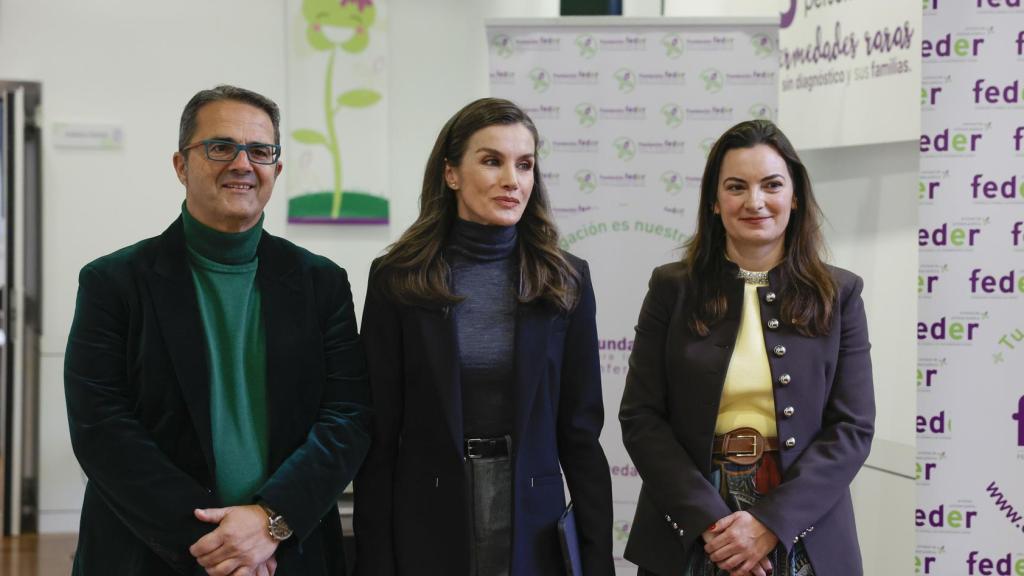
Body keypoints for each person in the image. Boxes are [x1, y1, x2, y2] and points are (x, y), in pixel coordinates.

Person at [64, 85, 372, 576]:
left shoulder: (322, 283)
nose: (242, 163)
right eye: (221, 146)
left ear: (277, 168)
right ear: (181, 165)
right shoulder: (112, 282)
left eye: (260, 150)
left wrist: (271, 521)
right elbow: (101, 428)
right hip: (151, 554)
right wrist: (223, 546)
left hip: (287, 553)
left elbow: (347, 418)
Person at [353, 97, 613, 576]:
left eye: (525, 164)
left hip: (533, 520)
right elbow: (380, 437)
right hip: (429, 519)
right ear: (451, 173)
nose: (512, 180)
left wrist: (597, 563)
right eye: (492, 161)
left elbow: (580, 436)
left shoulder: (566, 281)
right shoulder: (398, 279)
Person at [619, 119, 874, 576]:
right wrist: (711, 521)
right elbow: (641, 418)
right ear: (715, 203)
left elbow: (852, 428)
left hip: (802, 522)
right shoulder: (671, 288)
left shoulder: (840, 294)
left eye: (771, 185)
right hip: (691, 522)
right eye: (736, 187)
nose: (754, 201)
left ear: (795, 197)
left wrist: (769, 522)